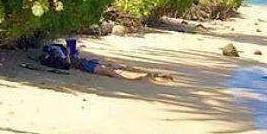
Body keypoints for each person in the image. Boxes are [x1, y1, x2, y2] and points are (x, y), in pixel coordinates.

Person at [35, 41, 174, 82]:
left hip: (84, 62)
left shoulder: (55, 52)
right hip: (83, 63)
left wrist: (74, 50)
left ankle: (146, 74)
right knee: (109, 69)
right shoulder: (60, 53)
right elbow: (70, 61)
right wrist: (74, 51)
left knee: (113, 66)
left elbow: (70, 59)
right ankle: (133, 77)